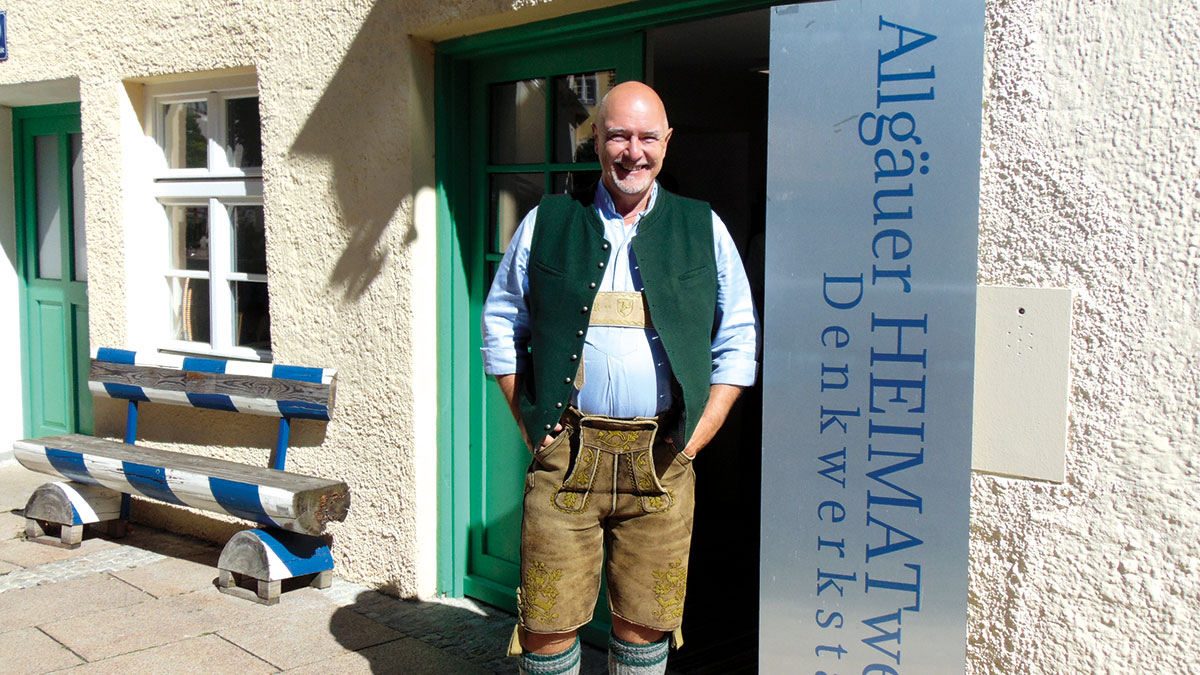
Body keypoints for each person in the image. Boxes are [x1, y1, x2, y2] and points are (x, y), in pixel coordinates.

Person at [481, 81, 758, 675]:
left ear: (667, 141)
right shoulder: (548, 221)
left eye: (647, 137)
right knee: (546, 626)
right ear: (597, 142)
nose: (634, 152)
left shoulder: (703, 227)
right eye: (618, 136)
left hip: (662, 457)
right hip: (566, 456)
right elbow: (501, 322)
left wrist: (695, 440)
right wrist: (528, 421)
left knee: (645, 626)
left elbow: (738, 339)